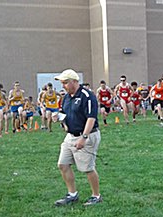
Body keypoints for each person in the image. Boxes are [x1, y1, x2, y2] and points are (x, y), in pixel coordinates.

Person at [52, 69, 102, 206]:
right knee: (63, 164)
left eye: (65, 82)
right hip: (70, 136)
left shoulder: (87, 96)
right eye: (62, 83)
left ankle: (96, 196)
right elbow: (64, 112)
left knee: (87, 167)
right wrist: (58, 116)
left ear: (74, 81)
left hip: (87, 135)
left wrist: (84, 138)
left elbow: (91, 118)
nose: (63, 85)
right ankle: (72, 194)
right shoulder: (67, 97)